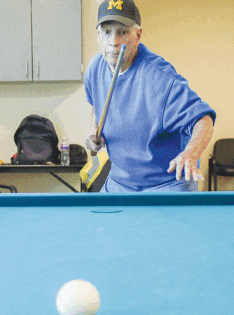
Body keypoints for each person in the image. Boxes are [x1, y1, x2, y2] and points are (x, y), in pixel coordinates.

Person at [84, 0, 216, 193]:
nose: (113, 42)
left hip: (166, 184)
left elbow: (204, 121)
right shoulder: (95, 69)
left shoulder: (162, 79)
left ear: (137, 35)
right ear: (98, 35)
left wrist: (190, 153)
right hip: (119, 182)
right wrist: (94, 131)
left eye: (122, 32)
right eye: (107, 32)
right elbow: (97, 104)